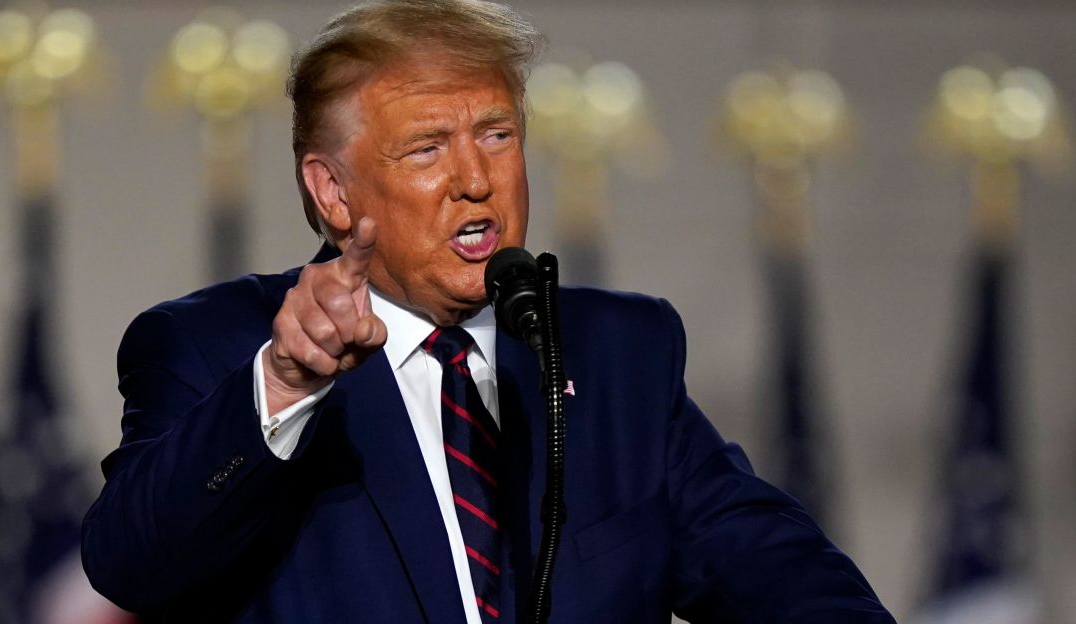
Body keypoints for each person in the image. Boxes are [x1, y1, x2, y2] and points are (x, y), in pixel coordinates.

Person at [81, 1, 896, 622]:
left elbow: (790, 582)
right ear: (331, 190)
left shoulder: (616, 355)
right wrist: (287, 384)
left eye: (498, 135)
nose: (477, 179)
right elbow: (131, 565)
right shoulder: (214, 346)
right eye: (429, 147)